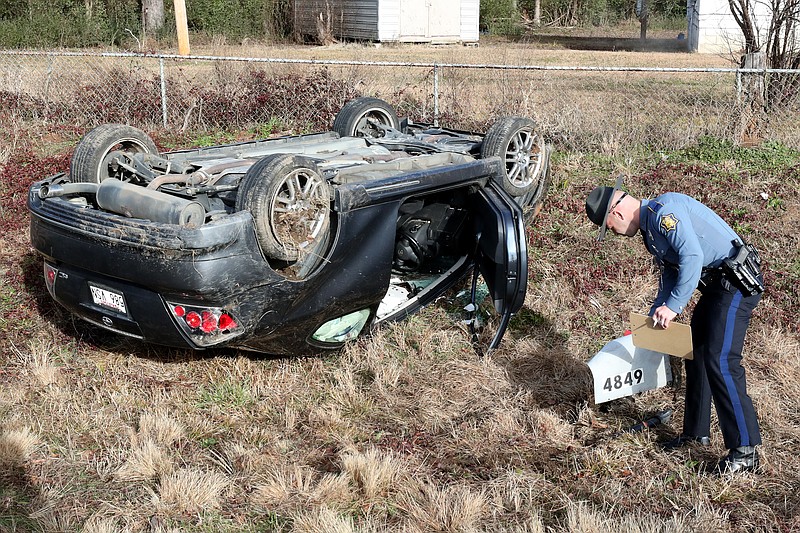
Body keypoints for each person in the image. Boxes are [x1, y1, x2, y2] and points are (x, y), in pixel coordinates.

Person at [585, 176, 764, 474]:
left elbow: (692, 256)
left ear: (615, 213)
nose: (614, 234)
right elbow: (671, 272)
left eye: (610, 229)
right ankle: (696, 432)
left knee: (721, 361)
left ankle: (745, 451)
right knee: (696, 355)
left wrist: (675, 305)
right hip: (717, 287)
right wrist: (660, 307)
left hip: (735, 285)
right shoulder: (651, 230)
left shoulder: (663, 212)